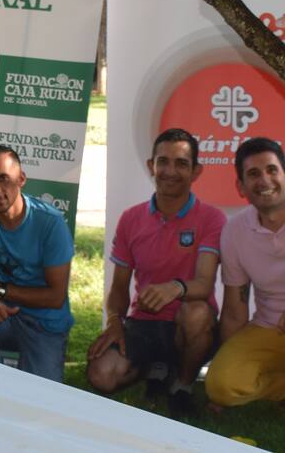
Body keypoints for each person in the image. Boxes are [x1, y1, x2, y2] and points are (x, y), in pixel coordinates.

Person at [86, 128, 224, 416]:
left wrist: (175, 287)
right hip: (143, 323)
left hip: (189, 324)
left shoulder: (212, 218)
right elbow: (120, 286)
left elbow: (204, 283)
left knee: (196, 313)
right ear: (152, 166)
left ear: (196, 171)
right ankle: (155, 367)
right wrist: (114, 321)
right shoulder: (130, 219)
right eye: (163, 162)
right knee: (102, 376)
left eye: (181, 163)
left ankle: (182, 386)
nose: (170, 171)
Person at [0, 145, 75, 382]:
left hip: (44, 323)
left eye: (3, 179)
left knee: (39, 403)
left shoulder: (51, 222)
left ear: (21, 179)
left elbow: (56, 297)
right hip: (0, 313)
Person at [205, 137, 285, 409]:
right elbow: (235, 308)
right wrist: (225, 360)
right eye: (254, 174)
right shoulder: (235, 231)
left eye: (272, 170)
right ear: (241, 188)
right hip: (268, 329)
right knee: (221, 385)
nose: (265, 180)